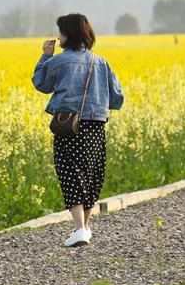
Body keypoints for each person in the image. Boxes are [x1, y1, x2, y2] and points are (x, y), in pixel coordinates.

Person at [31, 13, 125, 247]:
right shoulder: (100, 62)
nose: (58, 36)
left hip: (68, 125)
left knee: (70, 173)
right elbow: (117, 98)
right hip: (95, 125)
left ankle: (79, 228)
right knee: (92, 174)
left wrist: (45, 55)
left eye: (61, 31)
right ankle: (86, 228)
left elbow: (40, 83)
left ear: (68, 34)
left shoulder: (58, 61)